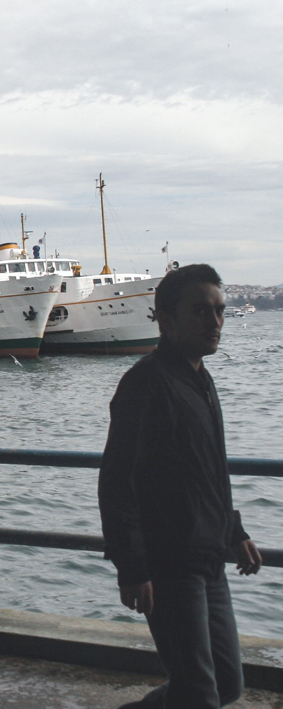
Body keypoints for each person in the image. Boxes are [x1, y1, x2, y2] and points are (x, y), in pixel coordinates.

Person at [99, 264, 261, 709]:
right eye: (200, 312)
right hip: (170, 564)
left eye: (220, 311)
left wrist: (233, 529)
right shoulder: (145, 383)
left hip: (209, 559)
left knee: (226, 685)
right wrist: (132, 567)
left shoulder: (200, 379)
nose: (214, 323)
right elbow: (117, 480)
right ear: (166, 320)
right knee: (199, 695)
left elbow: (207, 469)